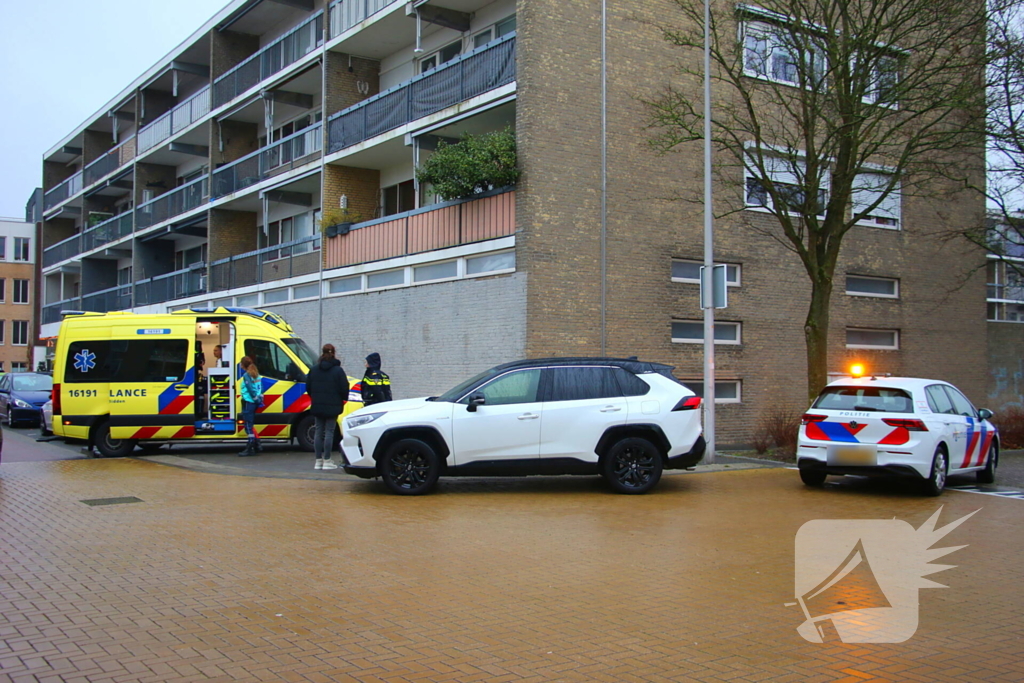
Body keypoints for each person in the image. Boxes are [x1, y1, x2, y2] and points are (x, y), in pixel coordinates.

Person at [304, 344, 348, 470]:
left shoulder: (314, 369)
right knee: (329, 432)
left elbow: (308, 387)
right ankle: (327, 460)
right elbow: (344, 387)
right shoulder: (338, 370)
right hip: (333, 405)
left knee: (318, 431)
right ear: (334, 353)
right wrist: (342, 398)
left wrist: (315, 397)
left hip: (318, 405)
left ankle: (318, 461)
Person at [238, 356, 264, 457]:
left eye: (241, 363)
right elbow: (261, 387)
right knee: (250, 424)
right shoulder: (256, 374)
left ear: (243, 365)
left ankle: (251, 446)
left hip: (249, 401)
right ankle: (257, 444)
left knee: (248, 425)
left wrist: (254, 397)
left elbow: (249, 388)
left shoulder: (246, 375)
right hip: (254, 401)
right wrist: (259, 397)